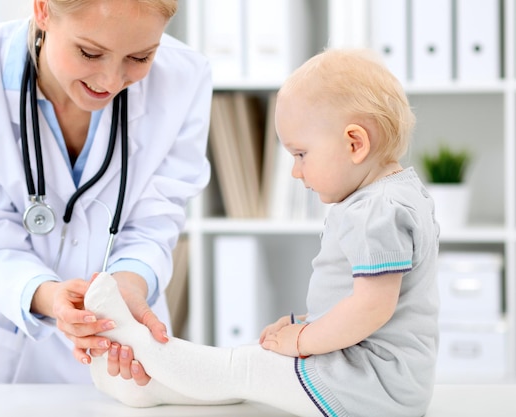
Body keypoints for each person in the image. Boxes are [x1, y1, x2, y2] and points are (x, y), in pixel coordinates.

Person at [84, 48, 441, 417]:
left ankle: (149, 351)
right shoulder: (395, 197)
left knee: (249, 367)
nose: (295, 172)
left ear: (355, 144)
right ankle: (152, 390)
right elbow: (374, 303)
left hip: (371, 385)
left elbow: (371, 308)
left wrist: (303, 340)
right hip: (377, 382)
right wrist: (307, 323)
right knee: (252, 382)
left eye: (301, 154)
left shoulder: (376, 211)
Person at [0, 0, 212, 384]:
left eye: (140, 58)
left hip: (123, 343)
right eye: (90, 52)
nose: (110, 81)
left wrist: (126, 286)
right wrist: (48, 297)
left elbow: (156, 220)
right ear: (42, 9)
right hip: (9, 351)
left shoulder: (185, 78)